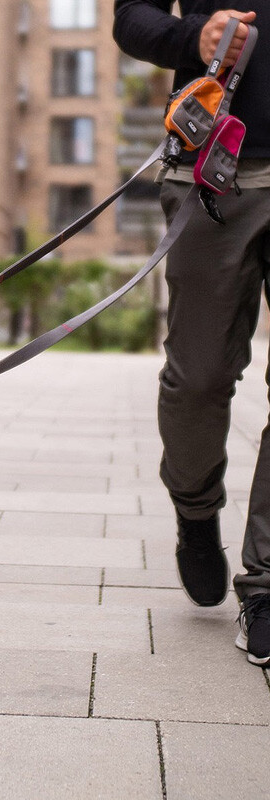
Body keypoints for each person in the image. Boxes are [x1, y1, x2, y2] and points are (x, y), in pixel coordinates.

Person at [113, 3, 270, 666]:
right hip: (217, 167)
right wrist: (191, 36)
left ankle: (264, 588)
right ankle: (196, 507)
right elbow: (130, 17)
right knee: (199, 379)